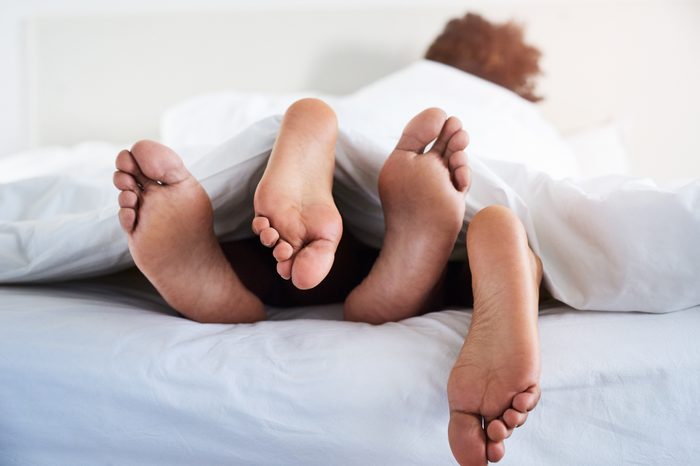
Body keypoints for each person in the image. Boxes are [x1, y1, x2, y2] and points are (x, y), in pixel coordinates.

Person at [113, 12, 546, 466]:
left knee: (283, 251)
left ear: (437, 55)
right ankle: (479, 263)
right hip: (431, 239)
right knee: (472, 264)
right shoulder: (519, 117)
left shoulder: (389, 91)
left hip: (342, 242)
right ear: (521, 92)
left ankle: (217, 272)